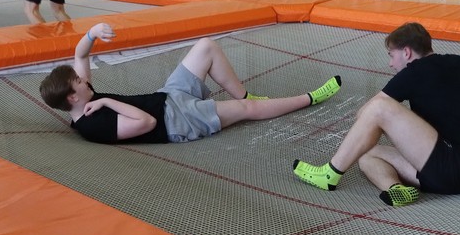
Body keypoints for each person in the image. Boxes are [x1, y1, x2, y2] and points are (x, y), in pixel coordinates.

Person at [293, 21, 460, 206]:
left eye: (391, 55)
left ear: (407, 52)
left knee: (379, 107)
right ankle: (395, 189)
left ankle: (330, 174)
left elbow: (365, 114)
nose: (391, 64)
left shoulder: (413, 72)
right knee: (366, 154)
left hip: (450, 173)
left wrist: (388, 127)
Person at [39, 23, 342, 145]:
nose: (84, 79)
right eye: (78, 81)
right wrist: (106, 101)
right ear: (72, 98)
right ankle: (309, 98)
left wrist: (92, 33)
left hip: (166, 96)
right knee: (246, 110)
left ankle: (247, 93)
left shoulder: (83, 96)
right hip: (177, 121)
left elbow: (80, 54)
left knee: (206, 46)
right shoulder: (93, 126)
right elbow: (146, 123)